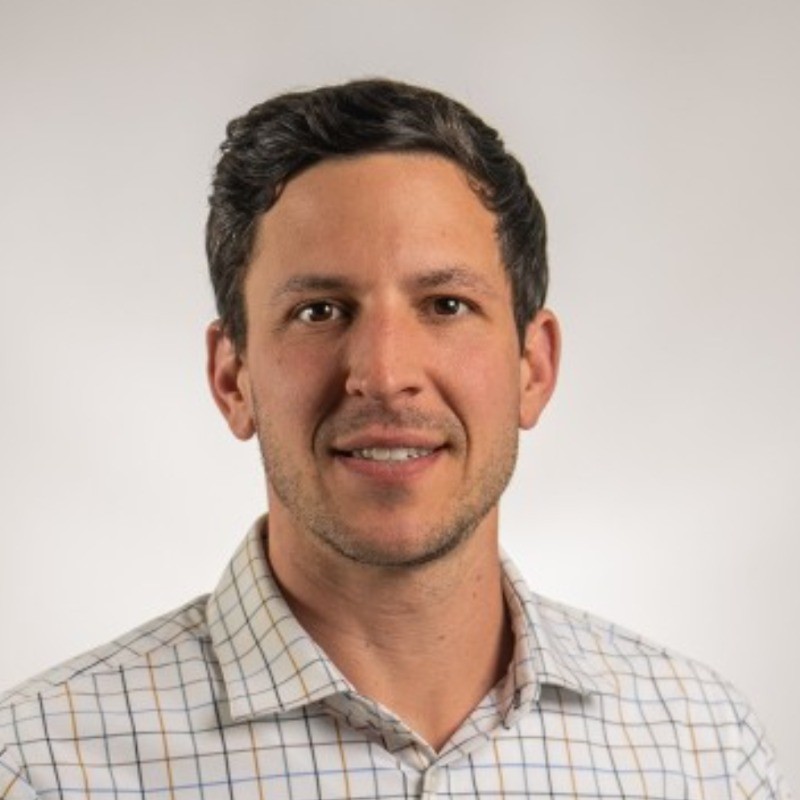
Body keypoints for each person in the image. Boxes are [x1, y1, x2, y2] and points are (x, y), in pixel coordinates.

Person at [0, 78, 789, 799]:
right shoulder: (41, 768)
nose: (383, 374)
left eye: (446, 305)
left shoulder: (705, 751)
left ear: (533, 367)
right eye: (319, 311)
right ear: (233, 378)